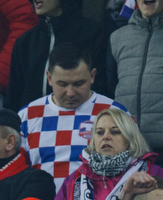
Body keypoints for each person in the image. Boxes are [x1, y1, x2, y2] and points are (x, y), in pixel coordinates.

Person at [20, 43, 125, 192]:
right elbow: (16, 171)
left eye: (78, 83)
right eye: (62, 84)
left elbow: (134, 163)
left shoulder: (115, 113)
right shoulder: (27, 116)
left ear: (93, 76)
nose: (70, 92)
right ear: (49, 78)